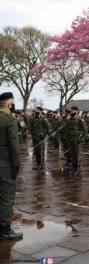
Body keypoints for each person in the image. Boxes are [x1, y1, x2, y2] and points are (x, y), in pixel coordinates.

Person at [0, 92, 23, 241]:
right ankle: (5, 230)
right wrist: (16, 165)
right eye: (13, 104)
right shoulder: (9, 121)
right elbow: (14, 146)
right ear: (9, 105)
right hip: (5, 164)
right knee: (7, 197)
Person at [64, 106, 87, 176]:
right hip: (69, 139)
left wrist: (82, 138)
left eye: (74, 110)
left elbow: (85, 129)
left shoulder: (79, 119)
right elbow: (66, 128)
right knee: (72, 154)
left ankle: (77, 169)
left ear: (77, 111)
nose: (72, 112)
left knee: (76, 155)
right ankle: (74, 168)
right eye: (71, 110)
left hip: (76, 140)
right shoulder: (69, 119)